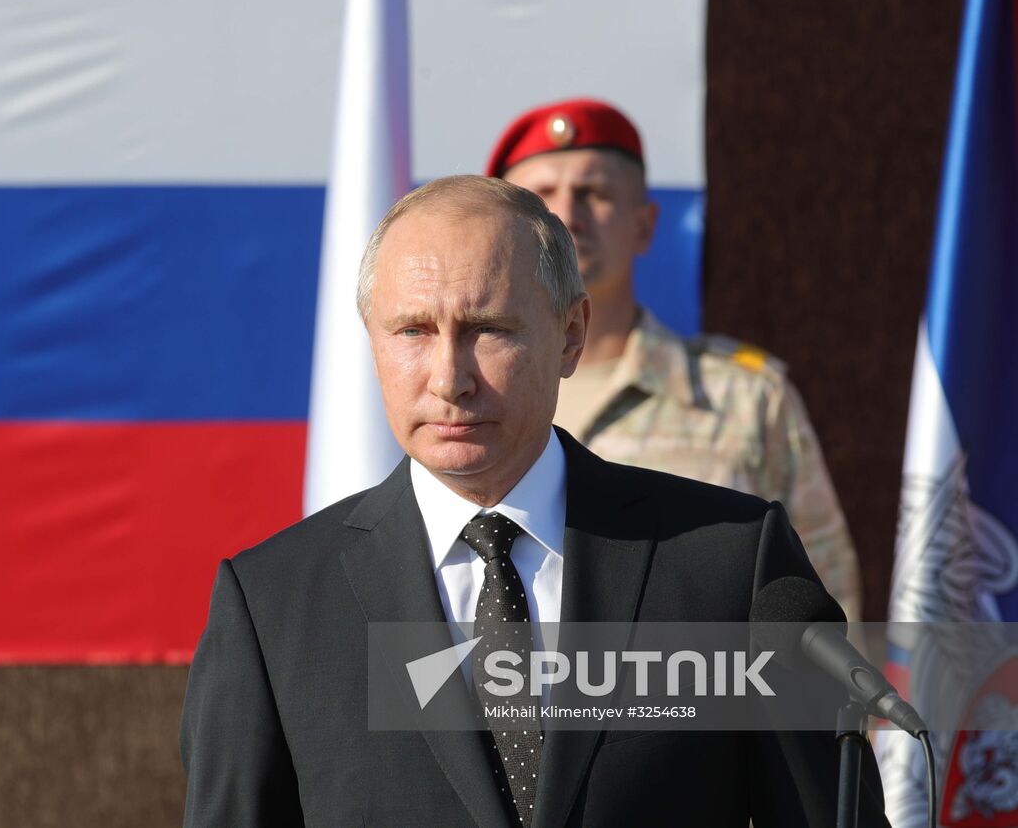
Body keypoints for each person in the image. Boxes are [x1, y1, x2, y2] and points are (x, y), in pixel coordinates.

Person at [180, 176, 888, 827]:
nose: (450, 379)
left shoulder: (729, 563)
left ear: (570, 335)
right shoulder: (273, 604)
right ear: (371, 344)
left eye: (489, 329)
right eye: (413, 332)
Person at [486, 99, 862, 622]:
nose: (566, 213)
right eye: (541, 196)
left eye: (594, 193)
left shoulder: (745, 399)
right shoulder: (459, 397)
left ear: (644, 225)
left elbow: (823, 600)